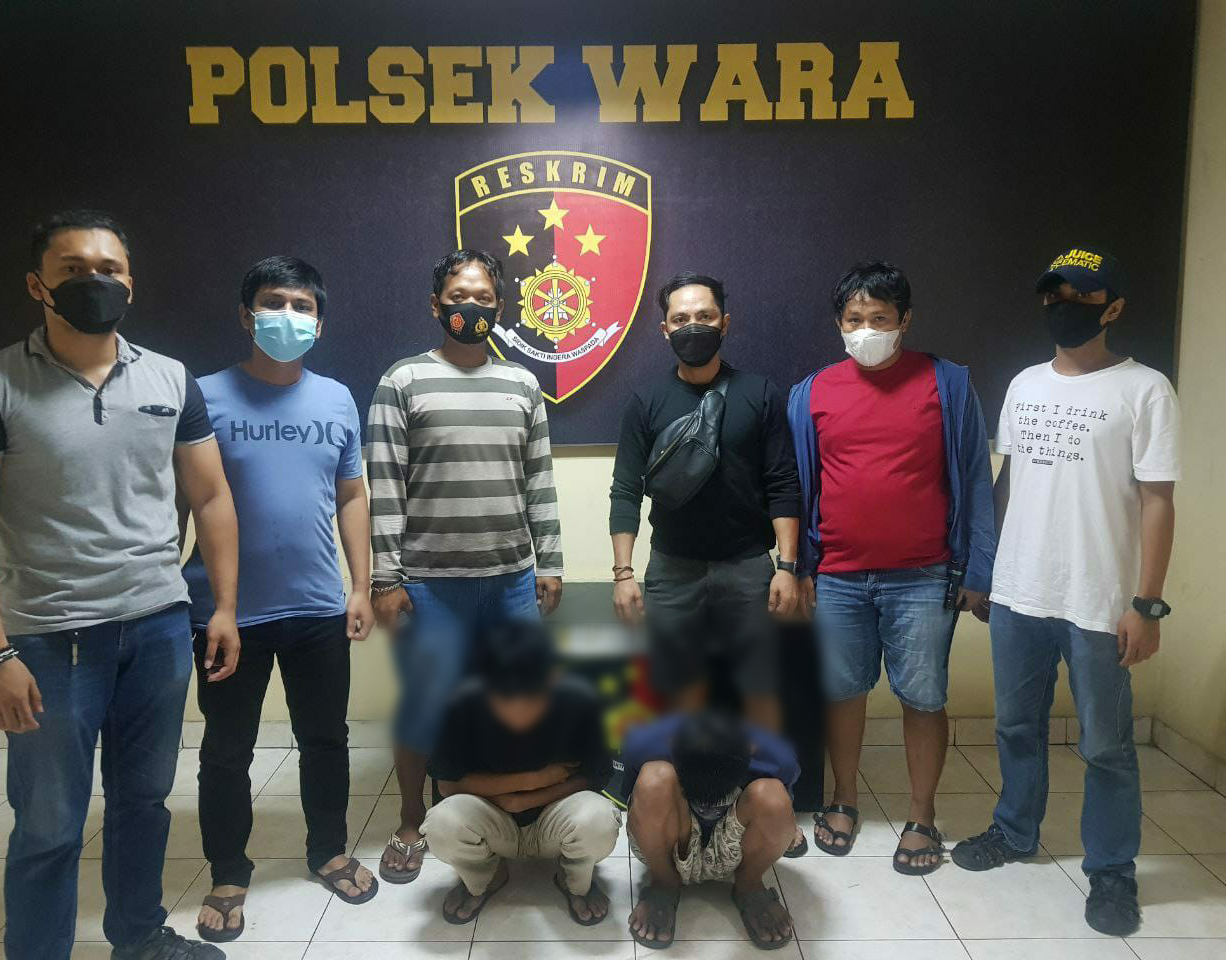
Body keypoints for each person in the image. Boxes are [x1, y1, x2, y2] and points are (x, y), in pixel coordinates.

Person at [0, 210, 239, 960]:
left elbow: (210, 498)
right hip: (49, 639)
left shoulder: (170, 378)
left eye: (108, 269)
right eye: (72, 269)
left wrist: (225, 607)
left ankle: (138, 939)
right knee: (49, 824)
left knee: (144, 800)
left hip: (158, 626)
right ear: (36, 285)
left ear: (130, 283)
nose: (94, 281)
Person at [952, 247, 1179, 936]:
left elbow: (1158, 502)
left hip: (1099, 602)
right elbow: (1008, 481)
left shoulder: (1146, 389)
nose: (1064, 307)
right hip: (1019, 592)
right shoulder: (1024, 384)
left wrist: (1146, 605)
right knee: (1016, 727)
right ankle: (1015, 830)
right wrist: (984, 571)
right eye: (1054, 294)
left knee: (1106, 745)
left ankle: (1111, 871)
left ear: (1114, 308)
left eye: (1082, 297)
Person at [182, 257, 377, 942]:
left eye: (302, 306)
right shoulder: (202, 396)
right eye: (274, 302)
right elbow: (184, 501)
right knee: (226, 750)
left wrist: (360, 586)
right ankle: (229, 872)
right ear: (246, 315)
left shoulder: (337, 399)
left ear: (319, 324)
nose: (288, 316)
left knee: (325, 740)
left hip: (318, 607)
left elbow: (351, 495)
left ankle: (328, 851)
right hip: (224, 614)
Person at [787, 260, 995, 874]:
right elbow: (797, 488)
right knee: (842, 691)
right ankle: (843, 800)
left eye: (880, 318)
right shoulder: (811, 392)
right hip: (838, 576)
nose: (866, 330)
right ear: (839, 323)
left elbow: (975, 479)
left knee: (924, 696)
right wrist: (798, 566)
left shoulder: (946, 384)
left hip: (924, 576)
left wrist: (980, 570)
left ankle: (921, 815)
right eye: (855, 319)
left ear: (905, 320)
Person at [367, 249, 565, 883]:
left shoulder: (523, 384)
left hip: (512, 581)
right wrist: (384, 578)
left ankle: (501, 815)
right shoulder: (402, 381)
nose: (470, 307)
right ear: (436, 305)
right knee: (424, 705)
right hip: (430, 585)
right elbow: (385, 487)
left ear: (500, 308)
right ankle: (409, 821)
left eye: (482, 298)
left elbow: (539, 480)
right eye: (458, 297)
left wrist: (550, 562)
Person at [609, 272, 802, 734]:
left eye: (705, 316)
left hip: (748, 568)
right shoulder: (645, 401)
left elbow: (783, 483)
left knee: (758, 688)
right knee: (678, 690)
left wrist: (787, 567)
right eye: (681, 319)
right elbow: (625, 489)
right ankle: (682, 777)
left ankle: (764, 776)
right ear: (665, 329)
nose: (693, 326)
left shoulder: (760, 394)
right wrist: (623, 574)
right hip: (672, 568)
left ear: (724, 323)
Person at [420, 620, 620, 924]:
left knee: (599, 819)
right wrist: (527, 783)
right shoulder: (461, 703)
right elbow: (447, 785)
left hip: (555, 816)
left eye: (531, 696)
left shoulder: (580, 701)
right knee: (442, 824)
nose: (518, 710)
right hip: (492, 816)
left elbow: (596, 776)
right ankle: (485, 878)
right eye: (504, 697)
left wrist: (530, 798)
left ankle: (574, 882)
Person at [623, 710, 799, 951]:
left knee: (774, 797)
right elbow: (637, 809)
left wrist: (786, 830)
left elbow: (779, 815)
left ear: (751, 749)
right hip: (672, 843)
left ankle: (749, 885)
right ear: (671, 743)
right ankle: (664, 882)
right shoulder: (645, 743)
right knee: (653, 779)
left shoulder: (777, 757)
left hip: (734, 844)